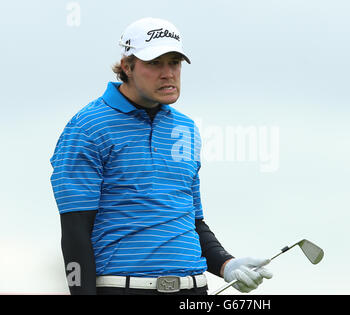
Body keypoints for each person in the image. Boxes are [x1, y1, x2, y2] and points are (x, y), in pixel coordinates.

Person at [50, 17, 272, 295]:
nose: (168, 73)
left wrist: (225, 264)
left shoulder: (185, 128)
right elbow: (75, 230)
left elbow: (190, 219)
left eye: (174, 62)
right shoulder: (88, 127)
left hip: (194, 290)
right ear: (127, 67)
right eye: (155, 63)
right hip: (124, 289)